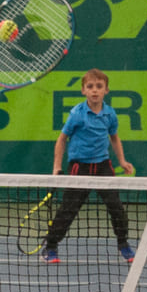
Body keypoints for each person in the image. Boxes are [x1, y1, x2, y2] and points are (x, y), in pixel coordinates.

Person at [40, 69, 135, 264]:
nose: (94, 91)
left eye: (99, 87)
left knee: (116, 207)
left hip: (103, 167)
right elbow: (62, 139)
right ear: (83, 90)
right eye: (90, 87)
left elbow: (114, 138)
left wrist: (122, 161)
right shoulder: (77, 114)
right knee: (68, 209)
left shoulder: (110, 114)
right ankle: (50, 246)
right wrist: (56, 167)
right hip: (79, 167)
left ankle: (123, 244)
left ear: (106, 90)